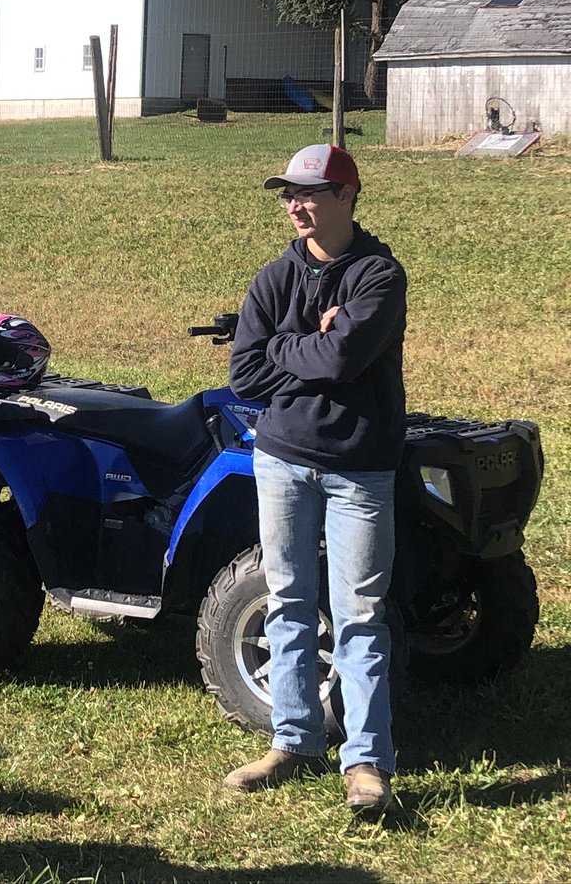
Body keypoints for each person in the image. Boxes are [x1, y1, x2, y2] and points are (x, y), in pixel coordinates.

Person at [226, 144, 407, 813]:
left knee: (359, 617)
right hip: (281, 460)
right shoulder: (275, 278)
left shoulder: (379, 276)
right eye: (287, 195)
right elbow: (245, 375)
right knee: (287, 604)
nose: (295, 206)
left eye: (309, 193)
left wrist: (287, 346)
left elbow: (345, 359)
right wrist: (308, 341)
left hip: (359, 469)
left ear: (347, 197)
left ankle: (366, 764)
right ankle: (294, 743)